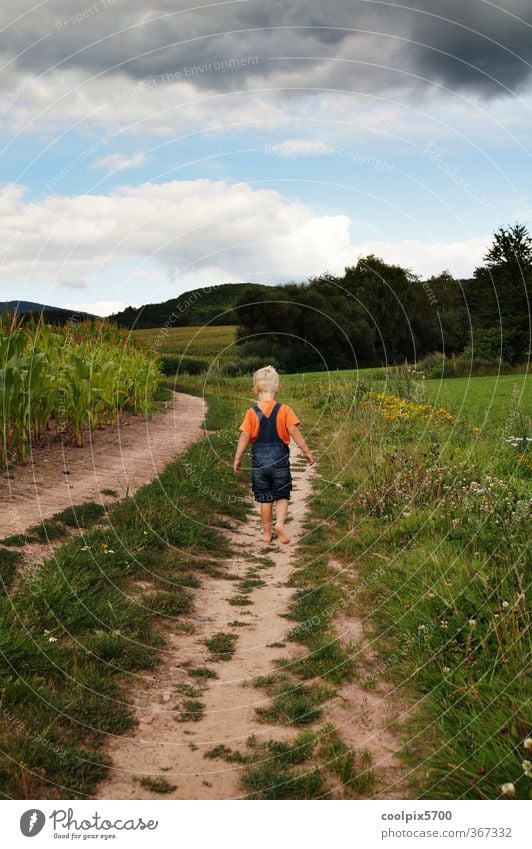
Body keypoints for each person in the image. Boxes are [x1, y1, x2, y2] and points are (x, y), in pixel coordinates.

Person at [233, 365, 315, 544]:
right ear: (278, 388)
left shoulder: (251, 413)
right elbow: (293, 431)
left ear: (255, 390)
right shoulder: (284, 410)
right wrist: (307, 452)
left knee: (265, 498)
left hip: (259, 462)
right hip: (279, 460)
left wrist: (238, 457)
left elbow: (245, 435)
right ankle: (280, 524)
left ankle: (267, 533)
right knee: (282, 494)